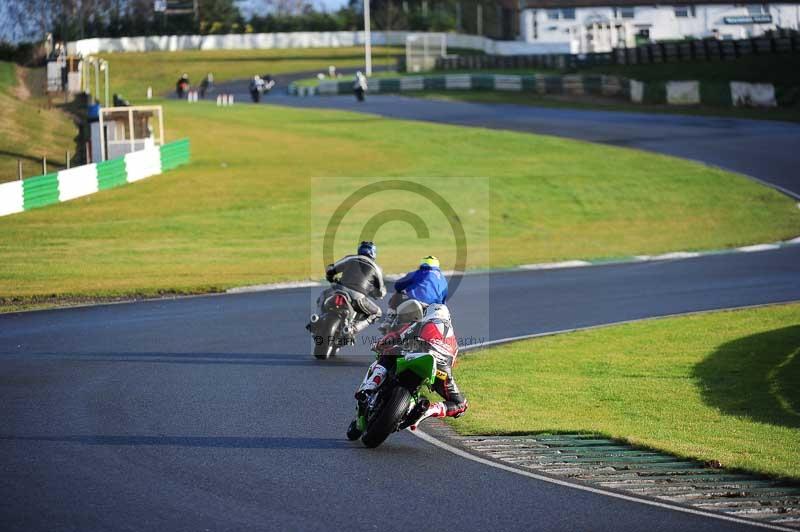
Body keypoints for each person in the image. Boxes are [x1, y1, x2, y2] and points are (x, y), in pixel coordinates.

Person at [352, 303, 467, 435]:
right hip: (441, 368)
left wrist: (380, 344)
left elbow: (396, 336)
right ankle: (428, 410)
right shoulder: (454, 342)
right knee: (460, 404)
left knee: (387, 354)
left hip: (420, 353)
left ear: (428, 313)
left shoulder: (423, 322)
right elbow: (452, 363)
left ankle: (369, 387)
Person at [319, 241, 386, 337]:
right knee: (377, 313)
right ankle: (353, 329)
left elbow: (330, 269)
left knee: (323, 295)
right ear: (373, 253)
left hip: (339, 289)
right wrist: (376, 294)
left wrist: (330, 278)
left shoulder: (350, 258)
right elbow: (381, 291)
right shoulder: (376, 268)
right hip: (357, 297)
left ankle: (318, 318)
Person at [383, 255, 447, 329]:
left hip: (414, 302)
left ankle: (389, 319)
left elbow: (398, 285)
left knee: (397, 294)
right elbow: (443, 301)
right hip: (434, 308)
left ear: (422, 264)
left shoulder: (416, 273)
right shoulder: (443, 279)